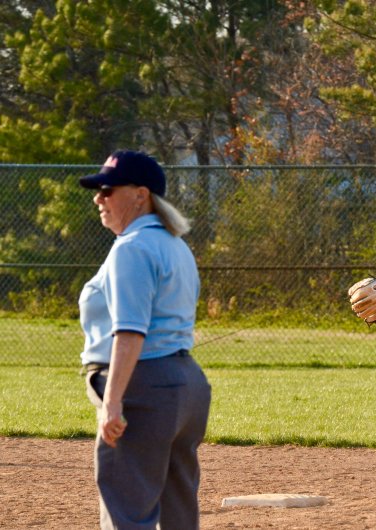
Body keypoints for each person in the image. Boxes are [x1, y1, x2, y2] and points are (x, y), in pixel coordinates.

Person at [78, 150, 212, 529]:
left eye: (107, 189)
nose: (98, 198)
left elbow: (130, 332)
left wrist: (114, 401)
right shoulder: (176, 245)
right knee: (178, 511)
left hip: (144, 386)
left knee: (128, 512)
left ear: (140, 195)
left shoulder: (132, 248)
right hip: (187, 385)